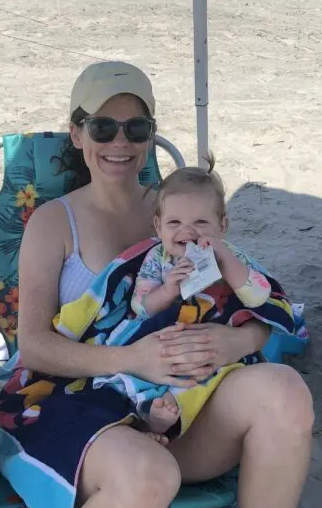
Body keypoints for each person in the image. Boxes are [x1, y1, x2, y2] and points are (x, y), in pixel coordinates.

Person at [0, 61, 314, 508]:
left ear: (151, 134)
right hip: (82, 402)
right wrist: (129, 361)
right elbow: (36, 343)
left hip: (181, 402)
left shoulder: (179, 207)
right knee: (146, 479)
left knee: (286, 393)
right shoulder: (55, 222)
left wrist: (239, 338)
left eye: (136, 127)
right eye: (101, 126)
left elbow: (250, 300)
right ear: (76, 133)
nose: (119, 141)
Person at [95, 159, 274, 437]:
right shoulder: (157, 259)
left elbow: (260, 296)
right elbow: (140, 307)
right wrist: (168, 290)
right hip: (166, 337)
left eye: (201, 222)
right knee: (138, 375)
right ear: (158, 226)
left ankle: (165, 417)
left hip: (213, 339)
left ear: (222, 225)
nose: (187, 231)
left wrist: (224, 259)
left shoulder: (230, 255)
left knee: (206, 375)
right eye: (174, 222)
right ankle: (152, 418)